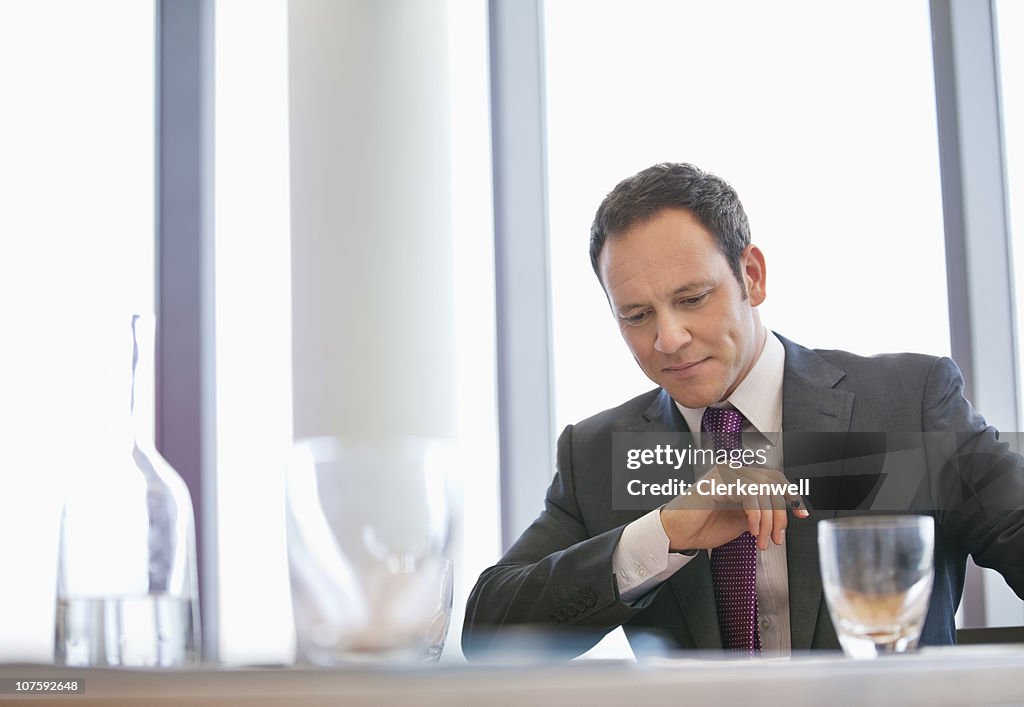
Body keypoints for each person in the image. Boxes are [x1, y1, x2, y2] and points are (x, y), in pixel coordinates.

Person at [462, 162, 1024, 658]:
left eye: (691, 299)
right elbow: (489, 633)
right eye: (636, 315)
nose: (669, 338)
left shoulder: (907, 402)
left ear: (750, 276)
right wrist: (664, 531)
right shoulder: (599, 454)